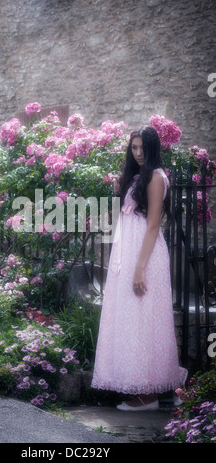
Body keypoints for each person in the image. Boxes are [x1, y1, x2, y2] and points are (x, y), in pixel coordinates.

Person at [91, 125, 187, 410]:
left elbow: (154, 224)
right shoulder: (135, 177)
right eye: (134, 148)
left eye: (143, 148)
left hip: (144, 257)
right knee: (130, 320)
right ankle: (140, 389)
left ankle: (149, 395)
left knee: (145, 321)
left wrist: (140, 268)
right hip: (128, 254)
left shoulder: (156, 177)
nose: (138, 153)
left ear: (153, 148)